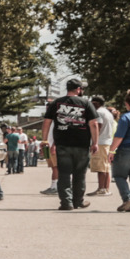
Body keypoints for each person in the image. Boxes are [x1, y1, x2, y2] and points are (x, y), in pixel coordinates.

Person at [42, 77, 99, 210]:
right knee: (80, 174)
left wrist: (44, 140)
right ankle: (78, 201)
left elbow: (47, 122)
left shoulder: (56, 103)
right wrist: (95, 142)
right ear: (78, 89)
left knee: (64, 174)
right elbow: (94, 124)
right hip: (82, 144)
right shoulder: (86, 103)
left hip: (62, 144)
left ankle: (66, 203)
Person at [90, 96, 116, 196]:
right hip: (107, 142)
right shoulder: (107, 112)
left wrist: (94, 142)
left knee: (101, 167)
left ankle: (101, 189)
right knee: (106, 167)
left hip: (100, 142)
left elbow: (98, 126)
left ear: (97, 103)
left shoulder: (99, 112)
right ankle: (105, 189)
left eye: (92, 103)